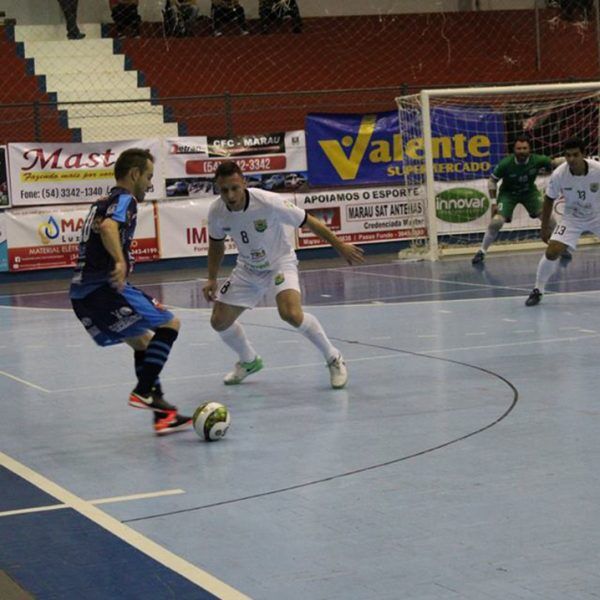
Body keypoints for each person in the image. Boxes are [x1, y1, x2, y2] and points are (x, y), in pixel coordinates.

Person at [202, 161, 365, 389]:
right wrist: (211, 277)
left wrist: (340, 246)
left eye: (234, 188)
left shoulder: (267, 202)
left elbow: (310, 221)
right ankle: (249, 361)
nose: (230, 195)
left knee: (290, 313)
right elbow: (216, 244)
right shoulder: (217, 211)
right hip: (248, 268)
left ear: (244, 184)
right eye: (224, 190)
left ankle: (333, 357)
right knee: (218, 322)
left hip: (280, 262)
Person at [70, 148, 191, 435]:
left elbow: (103, 227)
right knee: (170, 323)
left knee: (143, 343)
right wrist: (121, 261)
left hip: (81, 295)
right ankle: (143, 390)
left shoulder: (102, 201)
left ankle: (162, 414)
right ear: (134, 174)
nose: (150, 183)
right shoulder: (125, 199)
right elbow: (111, 228)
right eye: (148, 176)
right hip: (104, 287)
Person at [472, 135, 570, 265]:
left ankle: (560, 248)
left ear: (529, 149)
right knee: (496, 222)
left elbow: (553, 162)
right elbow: (492, 181)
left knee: (550, 220)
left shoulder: (537, 160)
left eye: (525, 148)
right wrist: (493, 203)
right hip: (508, 194)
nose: (522, 151)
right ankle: (482, 251)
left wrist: (575, 159)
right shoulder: (505, 164)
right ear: (514, 150)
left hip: (529, 192)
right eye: (519, 148)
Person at [525, 136, 600, 306]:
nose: (571, 159)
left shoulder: (598, 170)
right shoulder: (559, 174)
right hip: (572, 217)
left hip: (597, 215)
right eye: (567, 155)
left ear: (584, 155)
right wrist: (544, 228)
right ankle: (538, 290)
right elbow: (549, 200)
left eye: (575, 155)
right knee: (552, 252)